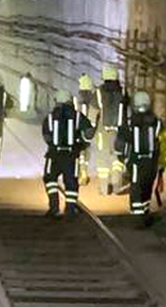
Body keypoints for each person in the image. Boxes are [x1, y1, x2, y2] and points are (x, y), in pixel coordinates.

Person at [42, 90, 95, 218]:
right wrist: (82, 144)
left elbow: (46, 135)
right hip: (71, 155)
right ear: (70, 101)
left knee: (50, 179)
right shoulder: (78, 116)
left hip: (54, 155)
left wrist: (53, 145)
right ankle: (70, 209)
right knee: (71, 182)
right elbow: (89, 133)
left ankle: (54, 207)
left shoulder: (50, 117)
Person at [115, 91, 162, 227]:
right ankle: (145, 213)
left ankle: (137, 216)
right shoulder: (156, 122)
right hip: (151, 161)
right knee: (147, 186)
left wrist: (122, 157)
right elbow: (162, 140)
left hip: (135, 161)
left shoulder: (130, 122)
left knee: (136, 187)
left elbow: (121, 139)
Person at [94, 64, 128, 195]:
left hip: (103, 131)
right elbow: (128, 112)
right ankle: (116, 185)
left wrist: (90, 130)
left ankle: (104, 188)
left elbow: (92, 113)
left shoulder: (99, 92)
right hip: (120, 131)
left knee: (103, 159)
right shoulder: (123, 92)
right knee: (117, 158)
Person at [73, 73, 98, 186]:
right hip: (89, 130)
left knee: (79, 152)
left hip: (78, 130)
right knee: (86, 152)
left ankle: (79, 173)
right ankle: (84, 172)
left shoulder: (77, 99)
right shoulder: (93, 100)